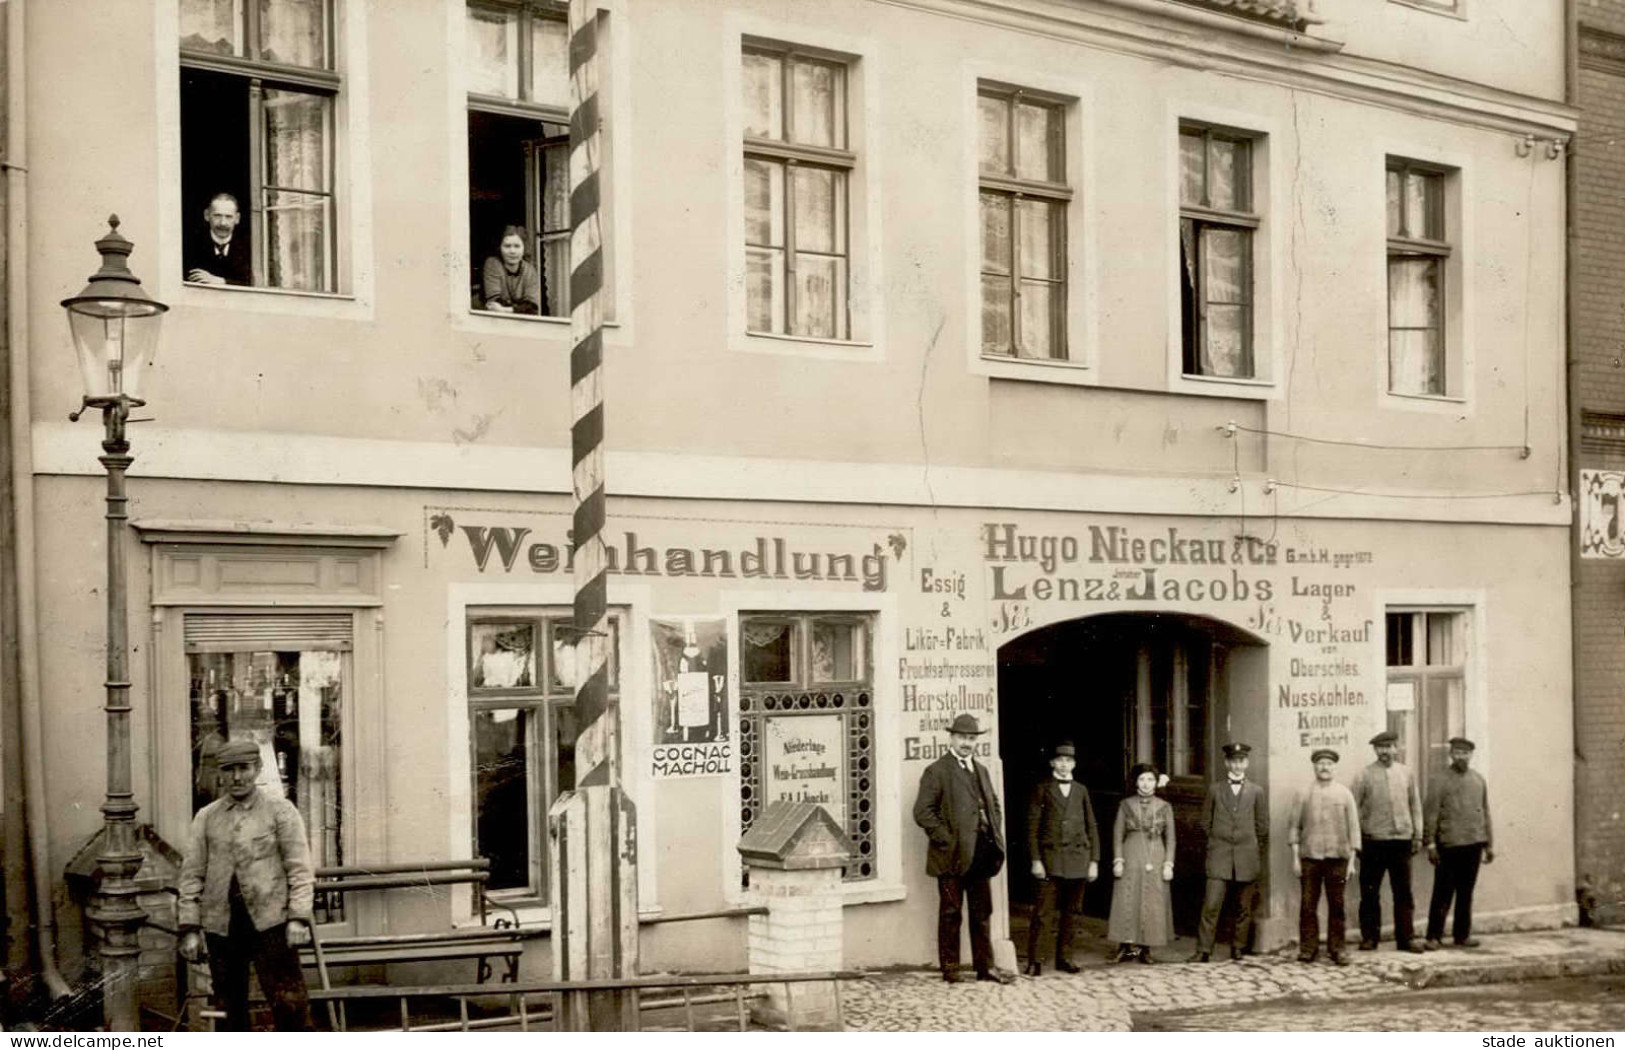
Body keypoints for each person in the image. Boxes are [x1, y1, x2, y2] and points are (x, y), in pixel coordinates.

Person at [177, 739, 315, 1031]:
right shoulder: (206, 817)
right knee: (228, 1009)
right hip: (222, 927)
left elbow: (300, 869)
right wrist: (189, 928)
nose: (237, 777)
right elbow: (191, 876)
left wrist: (298, 918)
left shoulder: (281, 811)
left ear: (258, 768)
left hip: (272, 924)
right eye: (229, 770)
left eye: (244, 768)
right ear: (220, 774)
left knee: (289, 1004)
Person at [912, 713, 1015, 984]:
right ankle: (951, 969)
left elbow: (994, 805)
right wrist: (947, 839)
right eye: (962, 737)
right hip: (950, 856)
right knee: (951, 913)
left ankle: (985, 968)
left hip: (981, 853)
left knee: (982, 913)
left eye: (971, 738)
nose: (967, 743)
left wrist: (994, 831)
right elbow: (922, 812)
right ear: (952, 738)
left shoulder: (981, 770)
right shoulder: (937, 771)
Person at [1023, 740, 1099, 976]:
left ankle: (1065, 957)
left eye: (1069, 761)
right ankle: (1035, 960)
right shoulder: (1042, 788)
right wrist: (1036, 859)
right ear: (1052, 763)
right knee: (1043, 912)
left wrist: (1094, 861)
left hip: (1078, 857)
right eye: (1060, 761)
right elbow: (1032, 827)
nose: (1064, 765)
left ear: (1074, 764)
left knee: (1072, 912)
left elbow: (1091, 826)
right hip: (1051, 859)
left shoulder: (1081, 790)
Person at [1190, 741, 1267, 963]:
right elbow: (1205, 822)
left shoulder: (1256, 791)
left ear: (1247, 763)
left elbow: (1262, 826)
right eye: (1233, 761)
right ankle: (1203, 950)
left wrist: (1250, 846)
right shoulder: (1215, 790)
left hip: (1247, 856)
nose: (1237, 765)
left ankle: (1238, 947)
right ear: (1226, 763)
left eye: (1241, 761)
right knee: (1211, 904)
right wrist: (1217, 841)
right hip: (1220, 855)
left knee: (1243, 906)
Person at [1352, 729, 1425, 953]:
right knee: (1370, 893)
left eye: (1389, 747)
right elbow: (1353, 809)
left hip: (1401, 841)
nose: (1385, 752)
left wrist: (1418, 835)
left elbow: (1415, 806)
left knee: (1403, 892)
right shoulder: (1364, 775)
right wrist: (1356, 841)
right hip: (1373, 841)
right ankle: (1370, 938)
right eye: (1380, 748)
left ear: (1396, 748)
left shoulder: (1407, 773)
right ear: (1375, 750)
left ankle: (1406, 938)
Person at [1289, 747, 1360, 965]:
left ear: (1334, 767)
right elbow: (1293, 827)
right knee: (1308, 905)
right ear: (1314, 767)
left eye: (1329, 764)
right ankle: (1308, 949)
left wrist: (1351, 861)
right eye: (1320, 763)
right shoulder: (1303, 793)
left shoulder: (1344, 794)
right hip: (1310, 858)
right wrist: (1295, 858)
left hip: (1338, 858)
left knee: (1337, 905)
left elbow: (1354, 828)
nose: (1324, 768)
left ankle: (1337, 949)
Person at [1423, 737, 1494, 950]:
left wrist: (1489, 844)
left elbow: (1485, 812)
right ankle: (1433, 936)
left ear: (1471, 755)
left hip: (1473, 843)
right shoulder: (1439, 780)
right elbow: (1431, 813)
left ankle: (1462, 935)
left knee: (1466, 892)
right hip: (1449, 844)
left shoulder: (1478, 780)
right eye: (1457, 753)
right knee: (1443, 892)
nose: (1461, 756)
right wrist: (1431, 844)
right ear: (1451, 755)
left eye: (1465, 753)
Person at [1107, 762, 1175, 964]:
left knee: (1152, 900)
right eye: (1142, 779)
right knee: (1128, 897)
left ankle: (1146, 948)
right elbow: (1118, 834)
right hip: (1131, 854)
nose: (1146, 784)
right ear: (1136, 782)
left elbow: (1171, 838)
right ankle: (1126, 947)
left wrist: (1168, 864)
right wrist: (1118, 860)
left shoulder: (1164, 807)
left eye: (1150, 779)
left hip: (1155, 856)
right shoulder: (1126, 805)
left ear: (1156, 783)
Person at [185, 192, 252, 286]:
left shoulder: (250, 247)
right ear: (207, 215)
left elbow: (252, 283)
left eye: (228, 217)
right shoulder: (190, 245)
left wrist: (222, 282)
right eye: (217, 216)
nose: (223, 223)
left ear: (237, 218)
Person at [480, 226, 543, 315]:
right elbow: (494, 303)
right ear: (499, 247)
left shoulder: (530, 270)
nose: (512, 251)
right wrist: (520, 308)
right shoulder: (492, 264)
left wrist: (506, 310)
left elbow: (532, 308)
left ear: (524, 247)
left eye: (517, 246)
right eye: (507, 246)